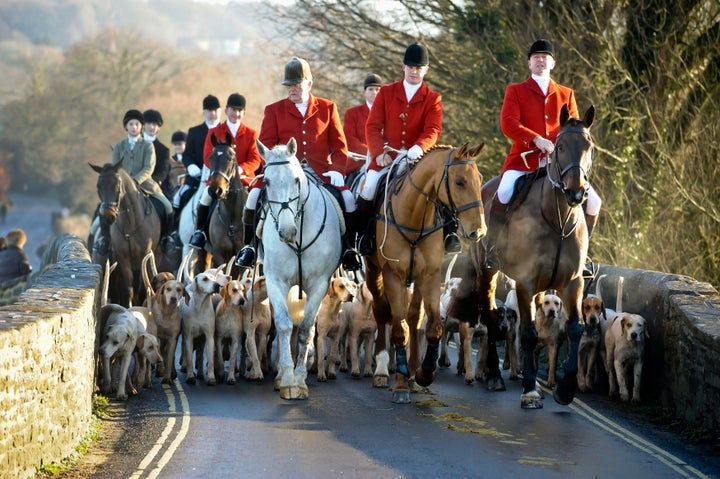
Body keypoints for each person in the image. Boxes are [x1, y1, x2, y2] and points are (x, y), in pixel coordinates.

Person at [483, 39, 602, 271]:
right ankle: (493, 248)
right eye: (536, 57)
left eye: (545, 57)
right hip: (523, 161)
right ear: (529, 63)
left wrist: (563, 146)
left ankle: (583, 256)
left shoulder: (566, 94)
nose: (540, 60)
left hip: (559, 166)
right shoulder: (515, 90)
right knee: (504, 191)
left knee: (594, 202)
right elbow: (508, 123)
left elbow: (574, 128)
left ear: (553, 63)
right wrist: (535, 139)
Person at [235, 57, 361, 271]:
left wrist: (338, 171)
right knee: (253, 198)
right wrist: (273, 166)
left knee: (348, 199)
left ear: (309, 84)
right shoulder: (274, 110)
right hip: (283, 174)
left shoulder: (328, 108)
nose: (292, 89)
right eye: (289, 85)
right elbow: (265, 146)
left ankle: (349, 250)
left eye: (297, 85)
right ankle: (250, 247)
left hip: (319, 172)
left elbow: (340, 147)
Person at [358, 42, 458, 254]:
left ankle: (450, 234)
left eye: (419, 68)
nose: (414, 71)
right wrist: (378, 154)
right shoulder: (386, 93)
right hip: (389, 158)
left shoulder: (433, 98)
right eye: (411, 67)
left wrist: (420, 147)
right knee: (369, 188)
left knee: (442, 186)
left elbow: (433, 129)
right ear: (403, 67)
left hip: (418, 159)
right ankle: (362, 236)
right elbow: (373, 126)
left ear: (426, 70)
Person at [90, 109, 174, 256]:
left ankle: (166, 238)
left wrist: (134, 181)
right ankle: (104, 239)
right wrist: (124, 182)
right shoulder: (118, 147)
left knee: (167, 207)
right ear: (126, 127)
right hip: (120, 186)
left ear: (141, 126)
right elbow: (116, 169)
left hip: (146, 184)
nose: (134, 127)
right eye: (131, 124)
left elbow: (149, 167)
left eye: (136, 124)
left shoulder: (148, 146)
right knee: (103, 209)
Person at [188, 93, 262, 250]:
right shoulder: (214, 131)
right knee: (205, 198)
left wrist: (240, 169)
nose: (236, 114)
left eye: (240, 110)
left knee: (258, 201)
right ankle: (200, 232)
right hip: (218, 179)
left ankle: (258, 238)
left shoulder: (251, 133)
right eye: (233, 110)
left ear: (244, 113)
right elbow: (208, 156)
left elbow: (256, 159)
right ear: (226, 110)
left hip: (243, 180)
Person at [172, 94, 222, 222]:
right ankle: (175, 230)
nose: (213, 113)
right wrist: (191, 166)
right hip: (197, 177)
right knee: (178, 197)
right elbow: (187, 155)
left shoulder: (226, 131)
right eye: (210, 110)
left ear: (221, 111)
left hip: (221, 177)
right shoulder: (194, 131)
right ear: (204, 112)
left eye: (216, 110)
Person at [343, 73, 384, 175]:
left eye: (377, 89)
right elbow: (350, 139)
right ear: (364, 92)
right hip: (358, 163)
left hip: (385, 161)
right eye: (370, 89)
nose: (374, 92)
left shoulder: (390, 114)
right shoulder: (352, 113)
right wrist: (374, 152)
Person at [143, 109, 171, 190]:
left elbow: (163, 172)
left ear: (159, 128)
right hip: (133, 183)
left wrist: (150, 181)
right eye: (148, 123)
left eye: (155, 124)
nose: (152, 127)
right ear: (143, 125)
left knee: (166, 203)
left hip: (153, 185)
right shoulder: (133, 144)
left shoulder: (164, 150)